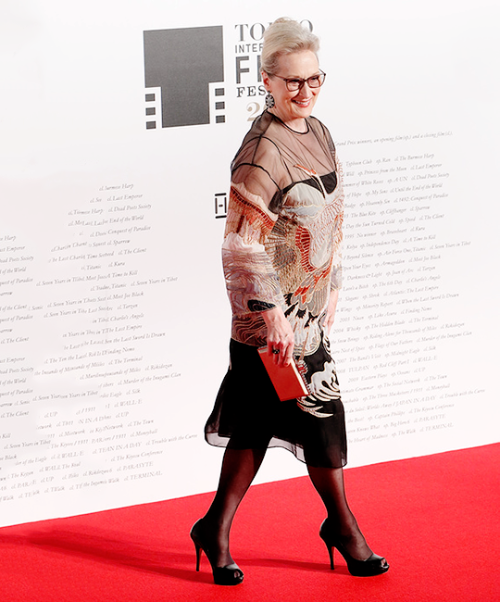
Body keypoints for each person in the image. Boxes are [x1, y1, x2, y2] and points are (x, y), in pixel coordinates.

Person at [190, 17, 389, 585]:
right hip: (271, 324)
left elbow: (331, 217)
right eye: (293, 82)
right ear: (268, 81)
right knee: (321, 415)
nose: (305, 92)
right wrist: (269, 312)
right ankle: (344, 528)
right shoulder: (260, 151)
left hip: (309, 314)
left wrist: (333, 284)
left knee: (254, 426)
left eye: (315, 80)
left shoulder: (319, 131)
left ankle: (215, 528)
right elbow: (239, 243)